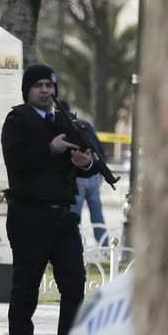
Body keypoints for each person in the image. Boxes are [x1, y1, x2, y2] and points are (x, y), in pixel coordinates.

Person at [1, 63, 97, 335]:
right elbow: (17, 161)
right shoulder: (17, 120)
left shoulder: (65, 121)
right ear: (28, 89)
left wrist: (85, 163)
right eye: (39, 85)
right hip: (29, 215)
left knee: (75, 284)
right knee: (26, 288)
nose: (46, 91)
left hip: (63, 217)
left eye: (50, 85)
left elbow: (89, 162)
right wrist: (49, 148)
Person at [64, 101, 109, 247]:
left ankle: (75, 246)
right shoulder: (84, 124)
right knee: (97, 214)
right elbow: (99, 148)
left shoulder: (65, 127)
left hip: (78, 177)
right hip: (95, 175)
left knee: (74, 216)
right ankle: (105, 247)